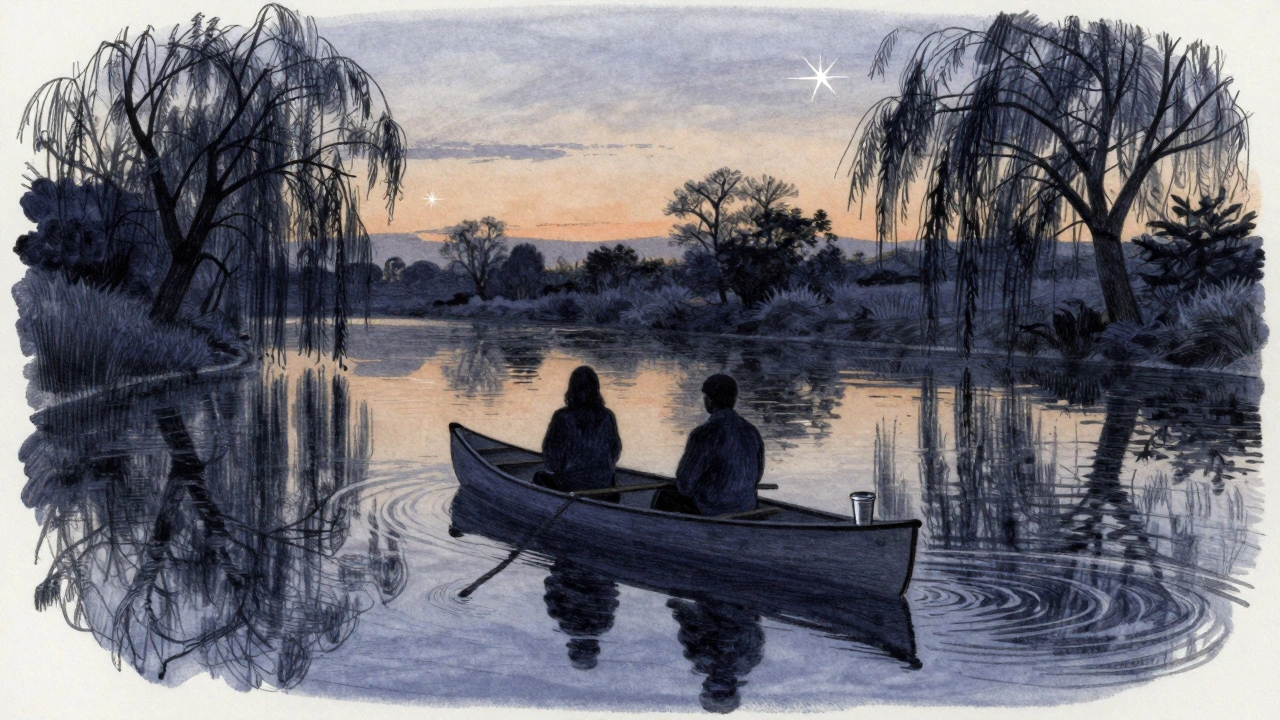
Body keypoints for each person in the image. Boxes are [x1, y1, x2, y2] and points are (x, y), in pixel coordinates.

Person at [654, 374, 764, 516]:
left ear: (710, 401)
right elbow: (757, 477)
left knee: (664, 496)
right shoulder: (752, 431)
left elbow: (685, 486)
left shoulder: (703, 434)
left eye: (705, 397)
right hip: (746, 507)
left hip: (712, 509)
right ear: (734, 399)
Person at [537, 365, 623, 495]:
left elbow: (550, 457)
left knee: (539, 477)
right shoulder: (608, 416)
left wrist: (563, 471)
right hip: (603, 484)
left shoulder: (562, 417)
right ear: (596, 389)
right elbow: (615, 452)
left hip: (571, 484)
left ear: (572, 389)